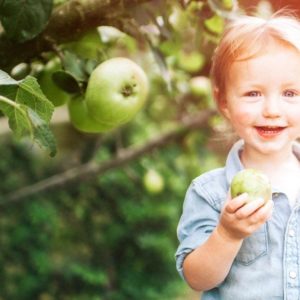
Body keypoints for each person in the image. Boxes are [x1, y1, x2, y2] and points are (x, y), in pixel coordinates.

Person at [175, 11, 300, 299]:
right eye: (253, 94)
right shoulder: (210, 193)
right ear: (224, 102)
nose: (271, 109)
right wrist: (226, 235)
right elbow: (198, 278)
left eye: (291, 93)